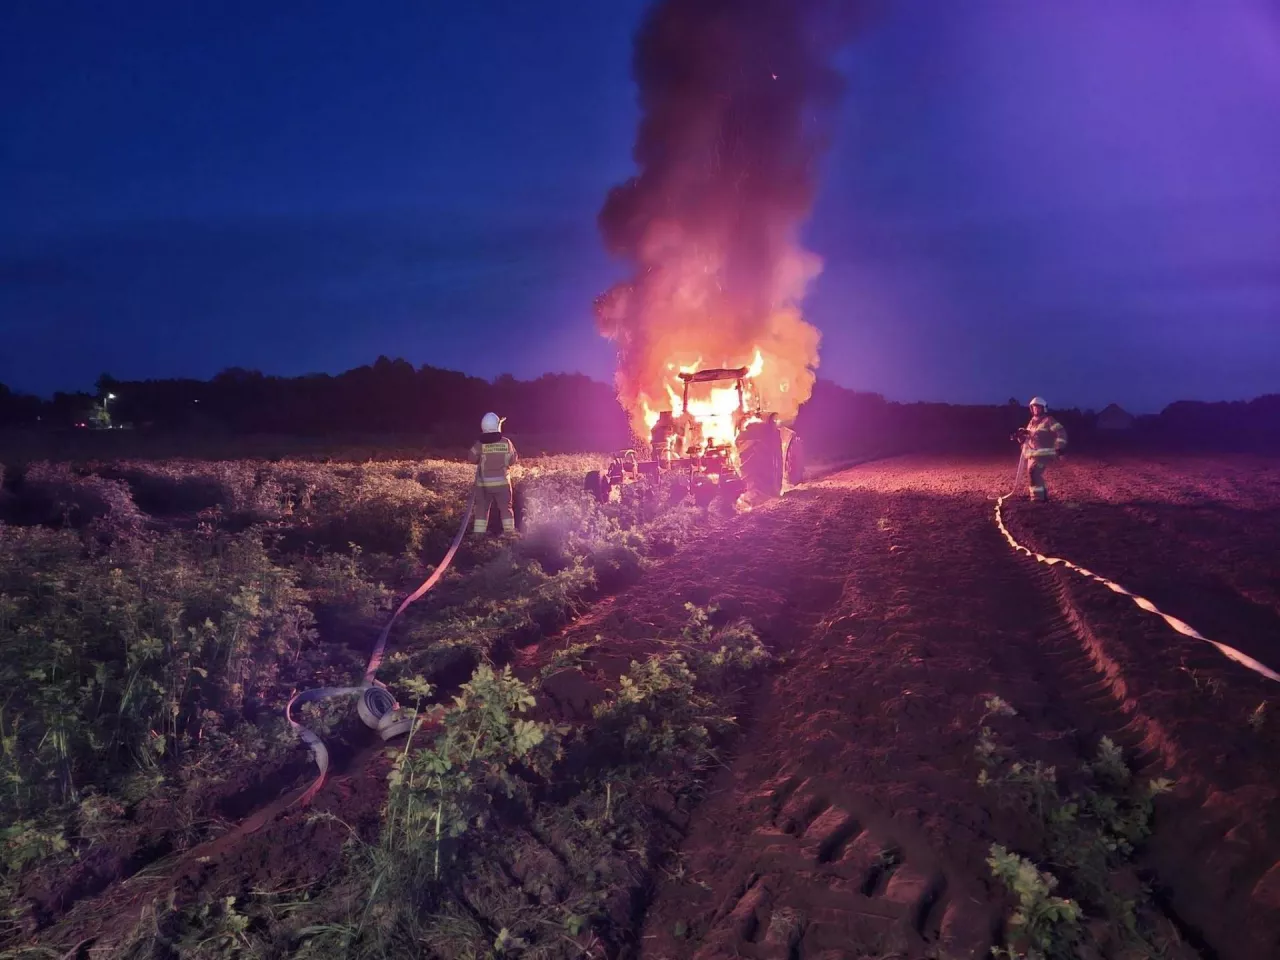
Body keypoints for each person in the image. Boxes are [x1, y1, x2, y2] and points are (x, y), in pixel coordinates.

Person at [469, 412, 519, 535]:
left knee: (482, 509)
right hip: (502, 484)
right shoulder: (506, 442)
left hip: (483, 485)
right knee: (506, 509)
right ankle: (509, 535)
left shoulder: (480, 444)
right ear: (497, 426)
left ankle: (478, 536)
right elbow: (513, 460)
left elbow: (471, 458)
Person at [1014, 396, 1067, 501]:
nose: (1036, 409)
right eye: (1034, 407)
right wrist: (1020, 436)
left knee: (1034, 472)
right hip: (1032, 454)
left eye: (1038, 407)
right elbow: (1028, 438)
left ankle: (1038, 499)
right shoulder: (1032, 422)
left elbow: (1061, 433)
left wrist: (1060, 449)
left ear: (1044, 408)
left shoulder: (1049, 420)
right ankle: (1042, 496)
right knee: (1032, 473)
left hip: (1044, 454)